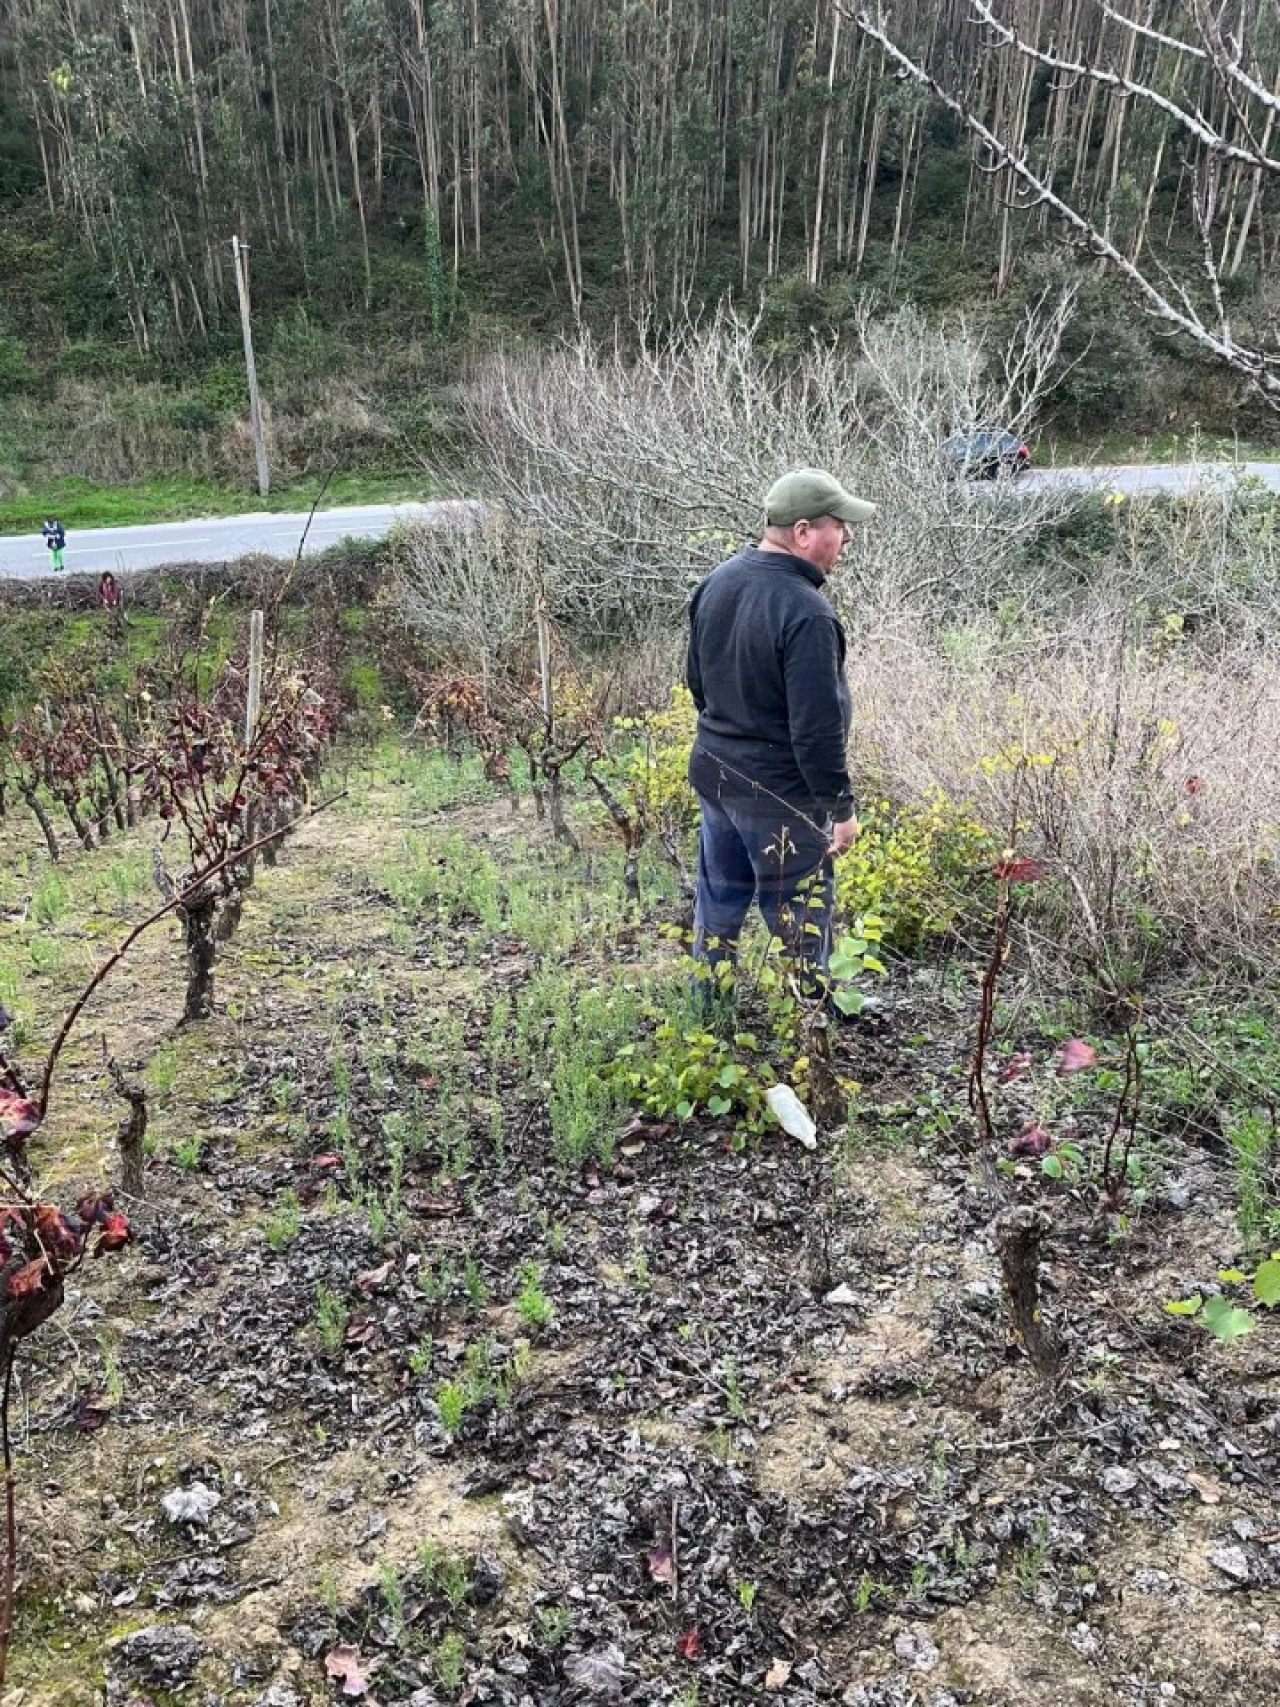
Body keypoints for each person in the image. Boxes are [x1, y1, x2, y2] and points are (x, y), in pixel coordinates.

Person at [685, 467, 876, 1003]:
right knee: (801, 916)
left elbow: (697, 684)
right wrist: (840, 808)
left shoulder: (717, 582)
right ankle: (813, 1015)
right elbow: (817, 731)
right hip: (778, 795)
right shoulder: (807, 612)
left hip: (715, 773)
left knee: (719, 905)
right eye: (839, 524)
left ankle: (709, 1007)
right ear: (803, 532)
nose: (848, 537)